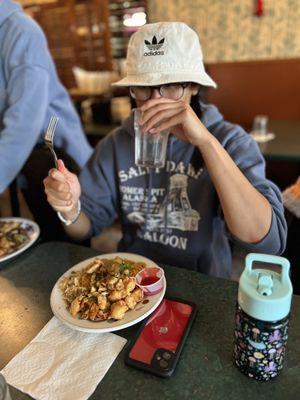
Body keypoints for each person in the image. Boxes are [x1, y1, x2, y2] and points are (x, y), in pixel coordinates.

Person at [44, 22, 287, 278]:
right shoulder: (116, 144)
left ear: (194, 86)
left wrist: (206, 142)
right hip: (133, 280)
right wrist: (69, 208)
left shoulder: (230, 141)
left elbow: (266, 241)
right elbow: (85, 228)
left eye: (171, 85)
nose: (155, 101)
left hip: (201, 284)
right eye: (143, 87)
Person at [0, 0, 92, 240]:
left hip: (55, 153)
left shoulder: (20, 30)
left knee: (69, 243)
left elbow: (24, 123)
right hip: (27, 157)